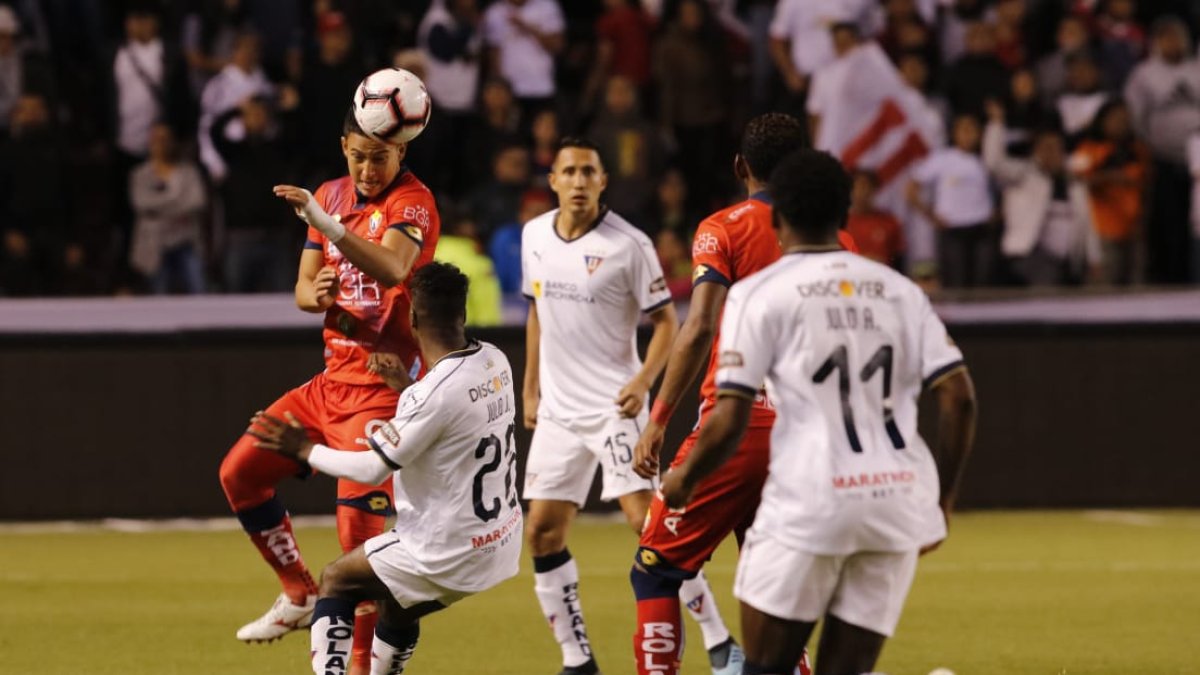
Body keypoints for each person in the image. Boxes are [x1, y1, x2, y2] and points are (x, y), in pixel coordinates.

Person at [660, 147, 978, 675]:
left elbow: (732, 415)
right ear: (846, 216)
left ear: (777, 217)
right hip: (897, 498)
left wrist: (685, 476)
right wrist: (942, 497)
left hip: (811, 499)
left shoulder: (758, 295)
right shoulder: (901, 291)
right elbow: (959, 396)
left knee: (766, 665)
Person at [217, 106, 441, 675]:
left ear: (402, 154)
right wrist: (314, 294)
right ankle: (297, 592)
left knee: (357, 547)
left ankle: (363, 666)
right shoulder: (329, 195)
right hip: (327, 386)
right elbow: (302, 289)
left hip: (380, 391)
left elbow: (393, 269)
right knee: (239, 472)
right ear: (344, 147)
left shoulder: (412, 202)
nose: (368, 169)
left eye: (381, 157)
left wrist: (330, 223)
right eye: (359, 156)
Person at [629, 113, 855, 675]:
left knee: (656, 568)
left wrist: (659, 419)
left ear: (740, 167)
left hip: (740, 429)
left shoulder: (722, 228)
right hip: (809, 438)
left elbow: (700, 325)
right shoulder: (840, 240)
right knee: (773, 595)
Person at [247, 261, 522, 675]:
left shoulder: (429, 397)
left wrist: (304, 449)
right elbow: (451, 416)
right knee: (397, 605)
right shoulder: (496, 362)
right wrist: (405, 387)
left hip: (445, 551)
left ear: (411, 317)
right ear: (462, 315)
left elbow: (372, 469)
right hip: (499, 543)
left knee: (337, 580)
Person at [521, 137, 730, 675]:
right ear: (554, 180)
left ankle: (718, 639)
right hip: (559, 413)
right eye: (568, 171)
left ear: (603, 180)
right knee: (541, 530)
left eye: (588, 171)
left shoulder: (629, 244)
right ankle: (577, 658)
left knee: (647, 525)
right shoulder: (534, 235)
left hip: (616, 405)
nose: (578, 181)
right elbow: (537, 311)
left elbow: (668, 323)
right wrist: (530, 386)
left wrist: (642, 381)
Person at [907, 114, 996, 288]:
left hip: (982, 230)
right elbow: (911, 190)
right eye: (964, 130)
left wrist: (996, 212)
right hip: (953, 229)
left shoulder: (985, 160)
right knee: (956, 282)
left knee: (983, 281)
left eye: (972, 130)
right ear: (955, 134)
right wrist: (930, 215)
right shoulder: (943, 159)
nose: (968, 135)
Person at [128, 122, 208, 294]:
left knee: (199, 290)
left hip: (185, 241)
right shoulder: (140, 175)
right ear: (149, 143)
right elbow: (141, 203)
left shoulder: (189, 172)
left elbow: (196, 202)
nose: (161, 144)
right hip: (155, 244)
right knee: (160, 296)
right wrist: (178, 203)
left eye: (165, 139)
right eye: (156, 139)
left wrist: (159, 209)